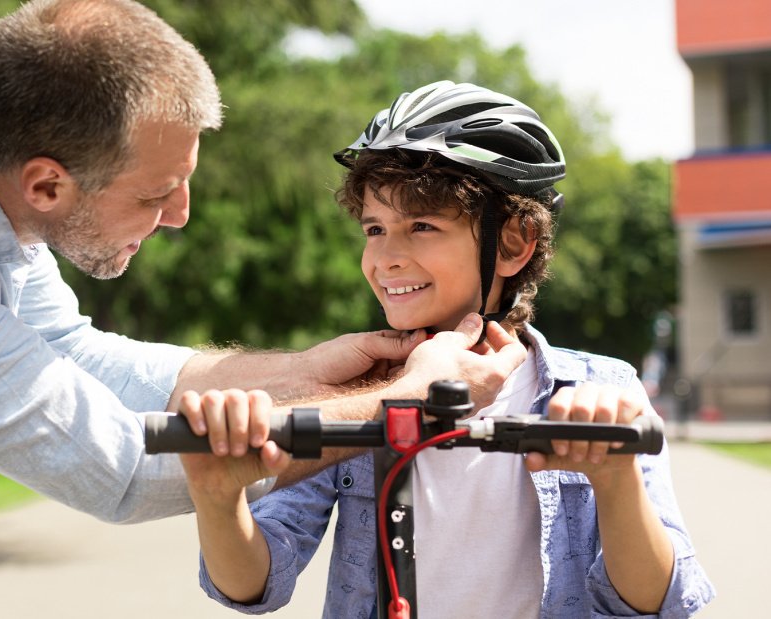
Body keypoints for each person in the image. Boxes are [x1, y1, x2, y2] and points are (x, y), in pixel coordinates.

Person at [0, 3, 529, 617]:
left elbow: (77, 356)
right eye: (158, 193)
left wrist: (303, 370)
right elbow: (120, 470)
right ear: (48, 182)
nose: (182, 214)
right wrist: (409, 403)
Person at [179, 81, 716, 618]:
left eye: (421, 226)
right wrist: (219, 501)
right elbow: (256, 583)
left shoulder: (601, 391)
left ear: (511, 244)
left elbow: (659, 601)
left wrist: (615, 480)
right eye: (374, 228)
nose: (384, 258)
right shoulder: (357, 394)